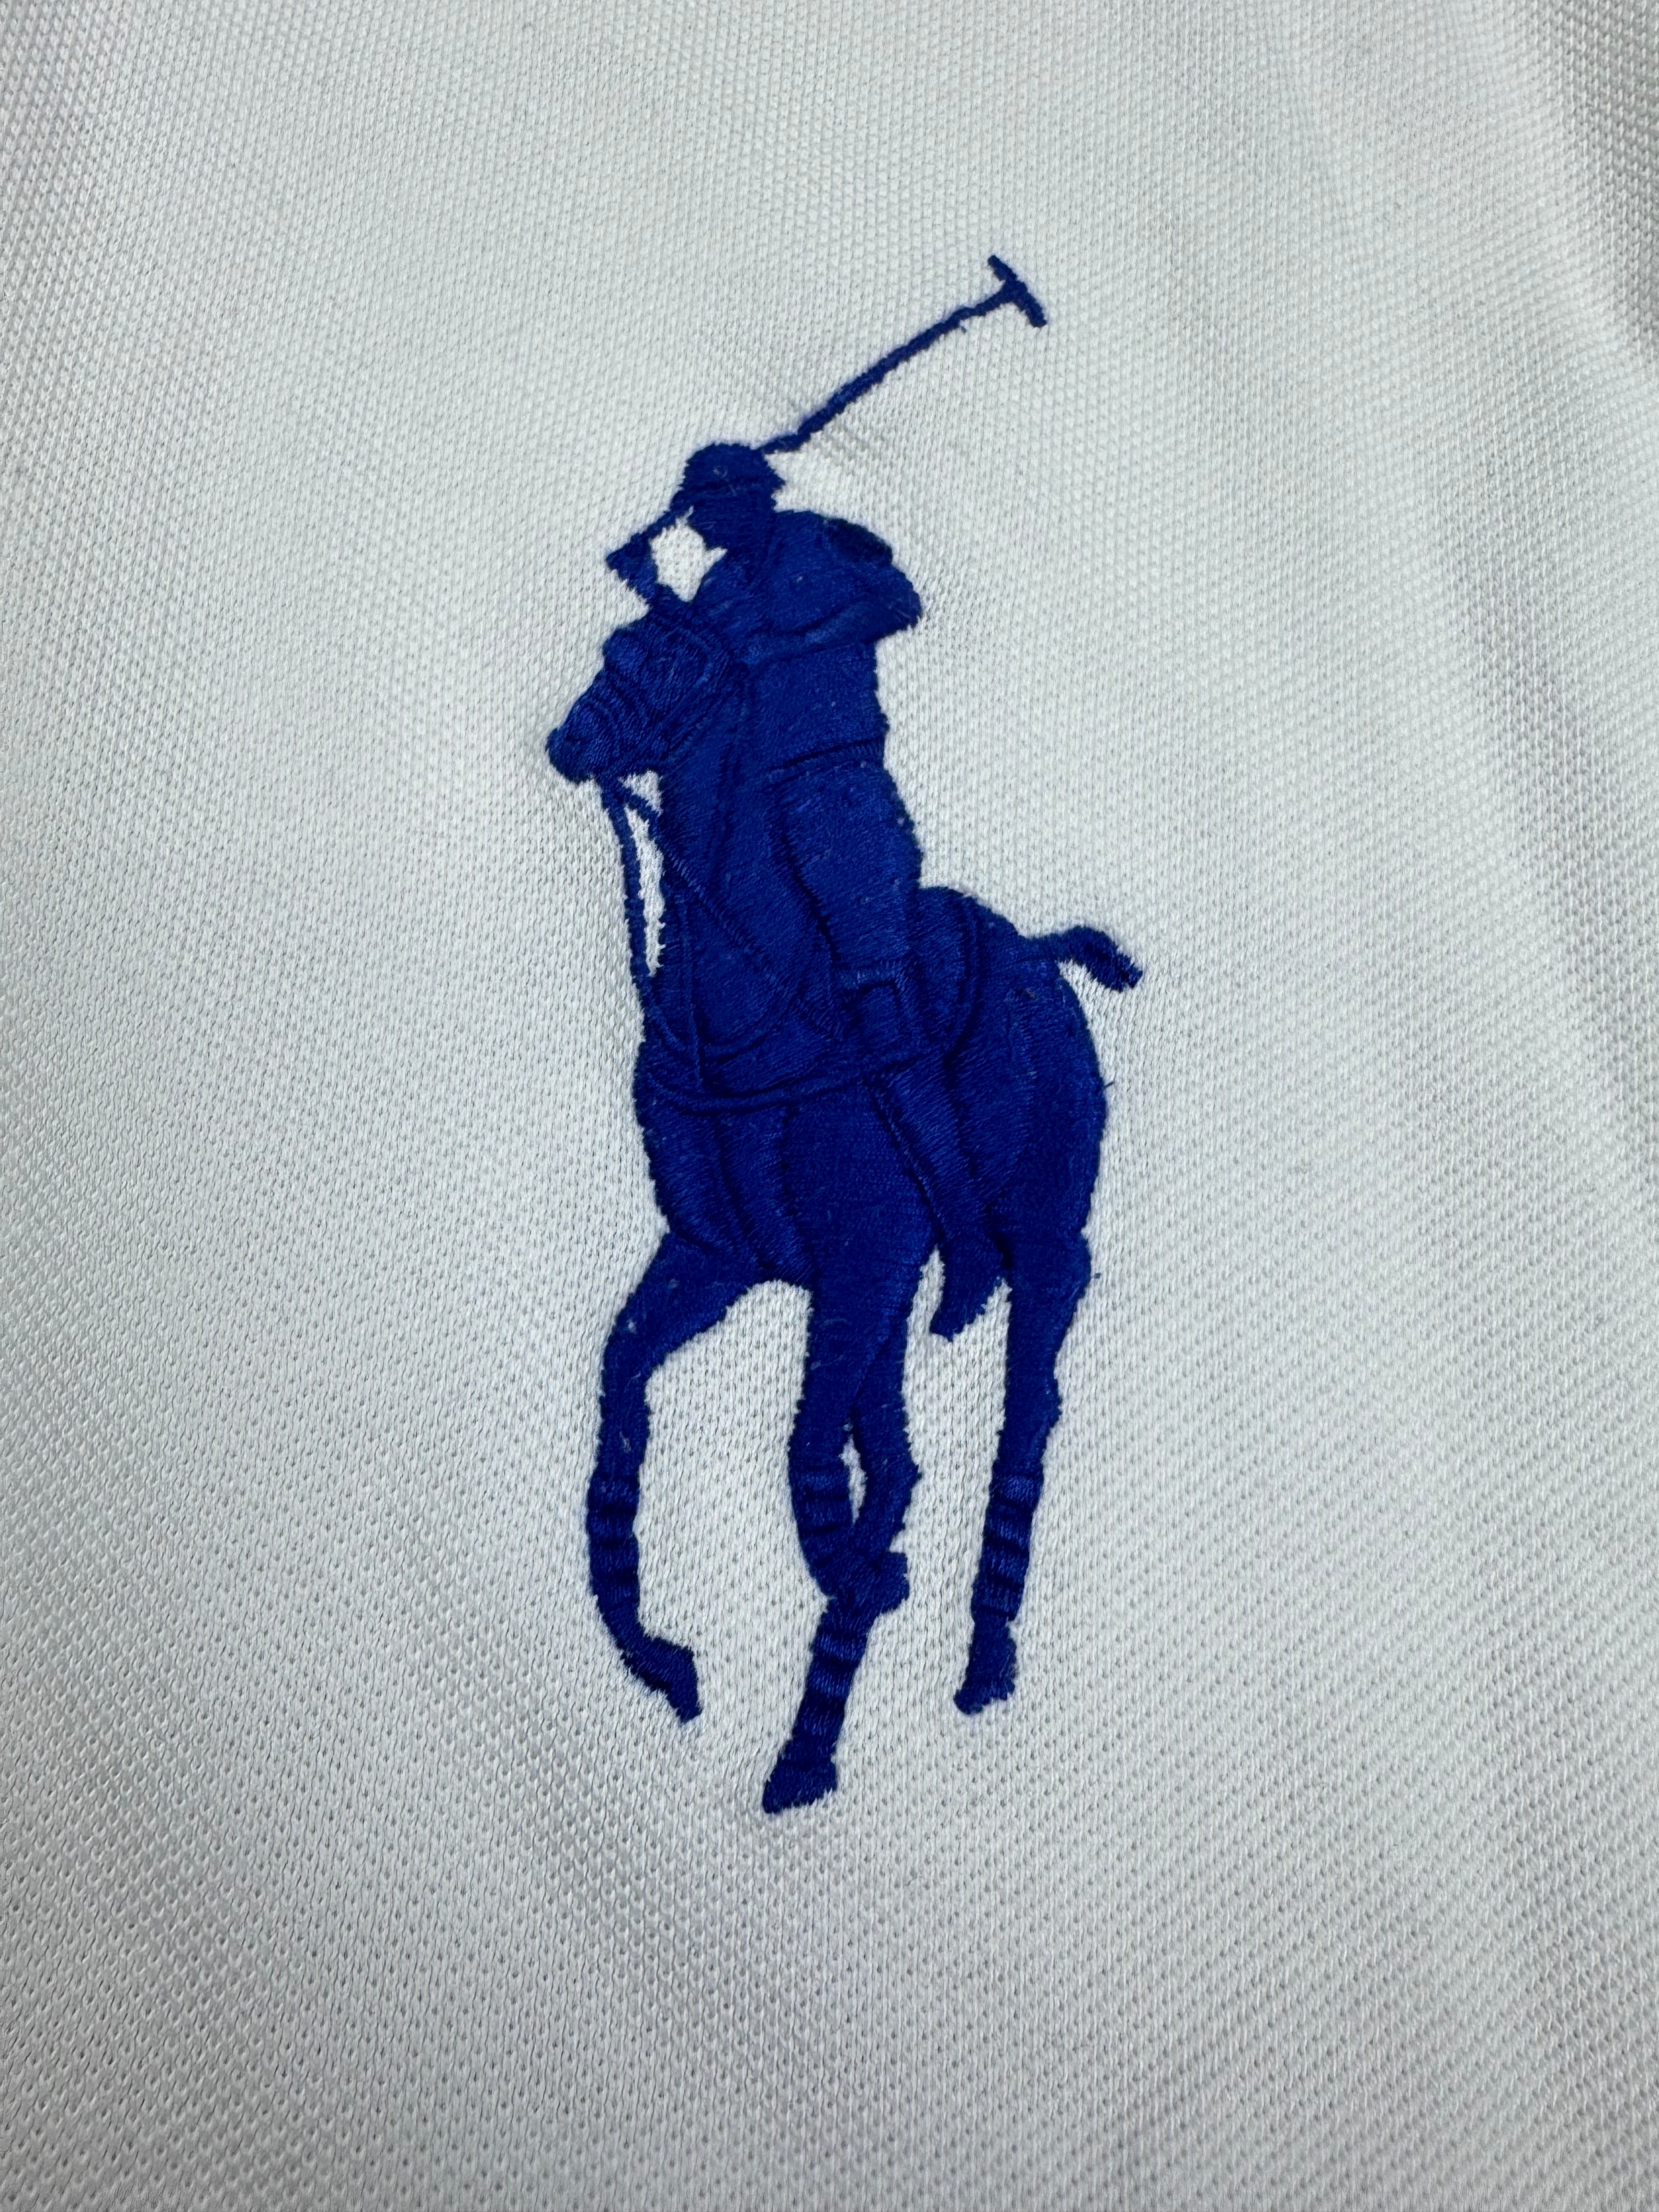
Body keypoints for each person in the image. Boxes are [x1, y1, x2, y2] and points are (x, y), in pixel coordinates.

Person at [595, 442, 1003, 1340]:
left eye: (708, 509)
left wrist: (794, 643)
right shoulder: (717, 588)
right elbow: (709, 664)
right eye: (694, 514)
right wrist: (653, 594)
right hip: (753, 812)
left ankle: (966, 1236)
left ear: (749, 499)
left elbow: (900, 603)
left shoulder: (822, 542)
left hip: (840, 798)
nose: (701, 526)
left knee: (881, 1008)